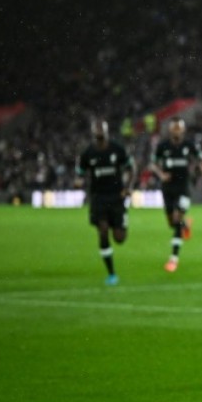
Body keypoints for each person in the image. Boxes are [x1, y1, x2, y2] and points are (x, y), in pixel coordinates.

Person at [74, 119, 137, 286]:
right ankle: (111, 274)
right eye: (97, 129)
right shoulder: (87, 153)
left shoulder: (117, 149)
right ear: (93, 132)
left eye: (102, 129)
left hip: (117, 197)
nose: (99, 132)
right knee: (102, 231)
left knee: (119, 238)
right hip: (98, 198)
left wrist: (129, 187)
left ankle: (119, 222)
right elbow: (79, 173)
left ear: (107, 131)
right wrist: (78, 181)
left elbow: (132, 168)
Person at [149, 117, 202, 272]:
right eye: (174, 128)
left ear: (183, 130)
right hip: (167, 188)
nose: (177, 130)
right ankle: (186, 225)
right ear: (170, 130)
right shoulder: (162, 146)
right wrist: (161, 174)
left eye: (179, 128)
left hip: (184, 188)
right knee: (171, 223)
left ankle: (173, 259)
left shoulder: (189, 145)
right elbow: (153, 163)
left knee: (176, 218)